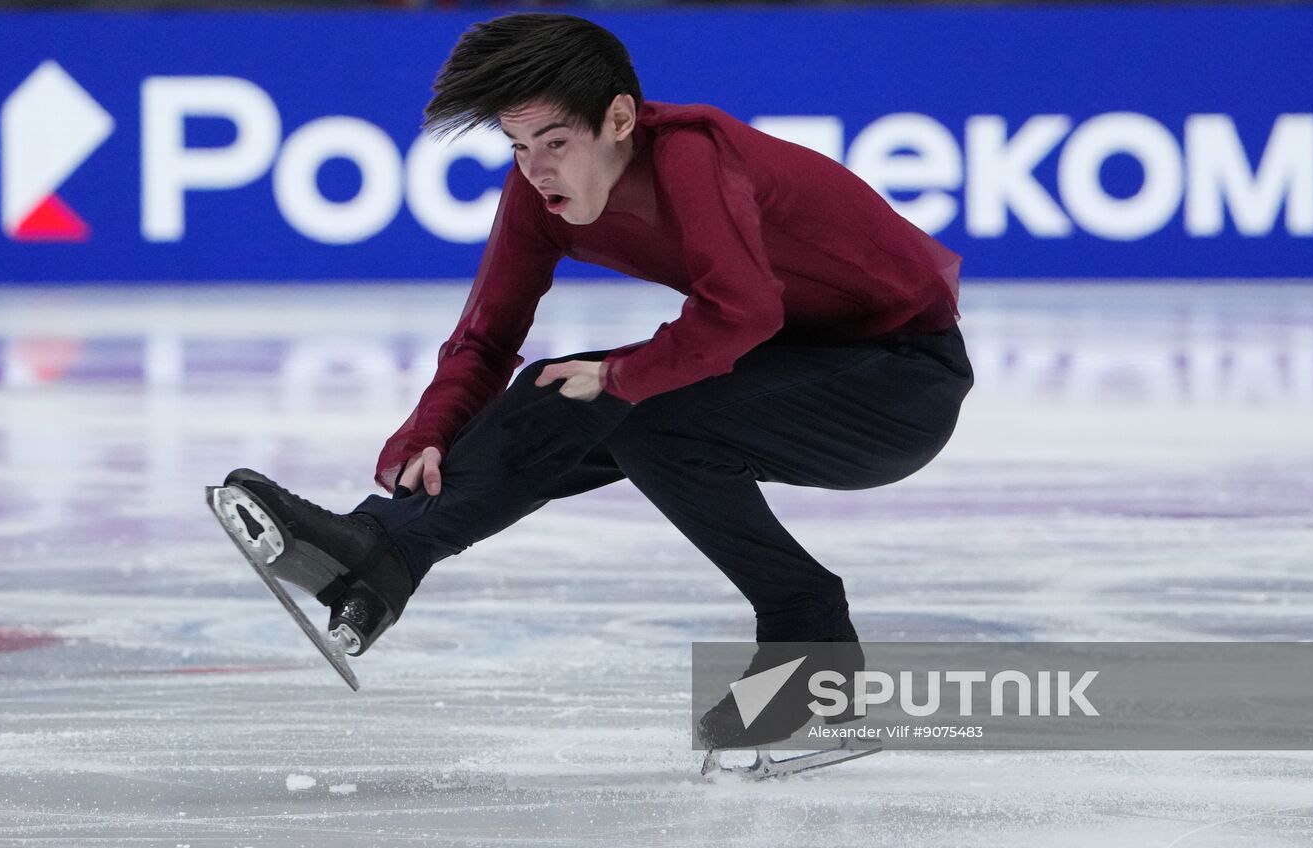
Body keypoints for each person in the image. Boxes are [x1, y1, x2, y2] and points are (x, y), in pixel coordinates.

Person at [221, 13, 973, 742]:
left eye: (554, 141)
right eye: (516, 145)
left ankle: (811, 640)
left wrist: (621, 377)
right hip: (796, 360)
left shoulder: (692, 156)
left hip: (903, 380)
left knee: (637, 407)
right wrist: (430, 432)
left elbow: (741, 310)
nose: (536, 168)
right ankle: (380, 554)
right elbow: (486, 339)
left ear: (618, 119)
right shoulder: (537, 195)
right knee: (563, 389)